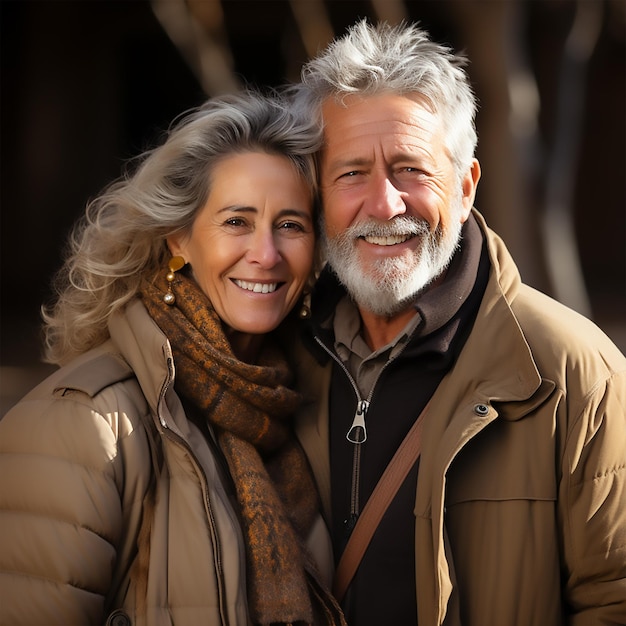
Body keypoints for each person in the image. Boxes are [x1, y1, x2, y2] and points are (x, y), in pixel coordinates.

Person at [288, 20, 626, 626]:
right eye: (351, 173)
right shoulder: (279, 362)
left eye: (411, 170)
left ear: (466, 187)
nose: (385, 204)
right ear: (316, 193)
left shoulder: (574, 373)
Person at [0, 89, 346, 626]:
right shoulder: (83, 424)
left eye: (291, 225)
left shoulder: (301, 410)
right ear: (178, 237)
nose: (267, 254)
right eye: (236, 221)